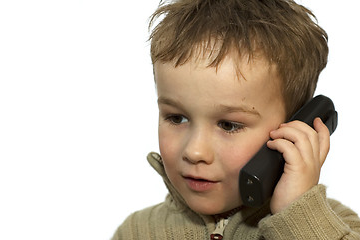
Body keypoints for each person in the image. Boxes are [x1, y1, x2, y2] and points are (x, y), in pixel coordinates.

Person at [112, 0, 360, 239]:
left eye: (228, 125)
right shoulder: (136, 232)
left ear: (295, 127)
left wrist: (297, 219)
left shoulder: (333, 227)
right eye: (177, 118)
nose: (195, 151)